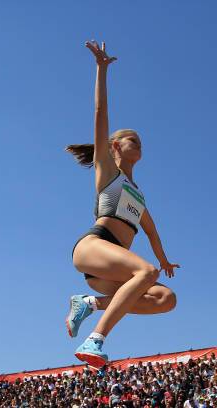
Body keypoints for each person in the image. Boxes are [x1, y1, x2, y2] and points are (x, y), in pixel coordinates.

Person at [64, 40, 180, 368]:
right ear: (115, 146)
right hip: (95, 246)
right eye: (133, 139)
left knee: (165, 298)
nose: (139, 143)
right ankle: (95, 340)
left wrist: (166, 260)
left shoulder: (138, 193)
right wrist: (101, 70)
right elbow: (100, 114)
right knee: (145, 270)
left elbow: (152, 232)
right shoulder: (107, 170)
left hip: (112, 270)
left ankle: (89, 303)